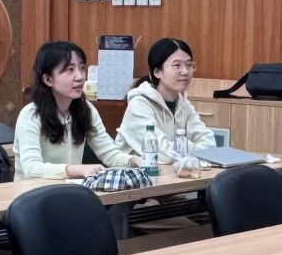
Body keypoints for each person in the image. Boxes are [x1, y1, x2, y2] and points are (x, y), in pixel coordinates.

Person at [13, 40, 140, 180]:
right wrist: (76, 170)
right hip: (32, 192)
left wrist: (134, 160)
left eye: (82, 68)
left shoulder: (86, 109)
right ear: (48, 79)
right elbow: (31, 168)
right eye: (70, 70)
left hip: (70, 190)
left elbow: (109, 153)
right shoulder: (31, 115)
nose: (80, 77)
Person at [117, 37, 216, 160]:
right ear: (157, 72)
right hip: (138, 171)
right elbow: (162, 153)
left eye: (189, 65)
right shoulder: (139, 105)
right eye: (177, 65)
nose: (185, 71)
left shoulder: (182, 104)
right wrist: (192, 148)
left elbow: (209, 143)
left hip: (172, 171)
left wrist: (185, 150)